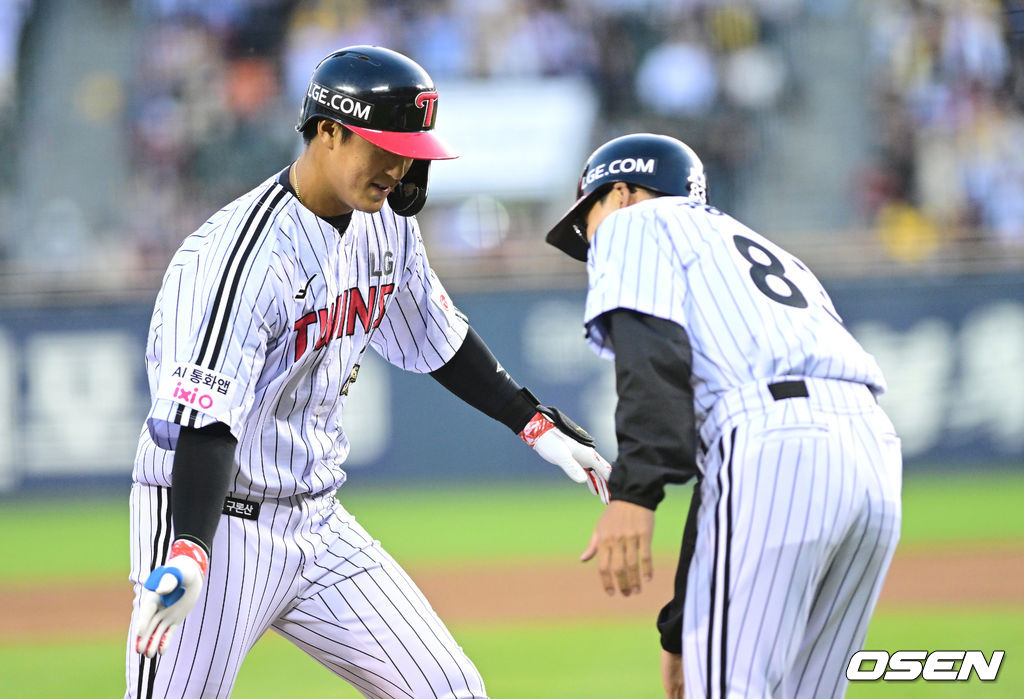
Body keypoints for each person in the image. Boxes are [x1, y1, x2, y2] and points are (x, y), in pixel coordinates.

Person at [126, 45, 611, 699]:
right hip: (215, 520)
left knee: (450, 689)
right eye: (384, 146)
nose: (398, 167)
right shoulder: (241, 258)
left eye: (409, 150)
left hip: (318, 521)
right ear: (328, 130)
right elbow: (204, 421)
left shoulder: (385, 227)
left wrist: (532, 422)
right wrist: (188, 547)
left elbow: (437, 335)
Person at [546, 133, 902, 698]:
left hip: (777, 442)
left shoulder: (633, 223)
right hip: (872, 454)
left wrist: (634, 495)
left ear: (622, 192)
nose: (590, 241)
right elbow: (723, 470)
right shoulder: (760, 253)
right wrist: (680, 628)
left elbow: (653, 361)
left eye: (586, 218)